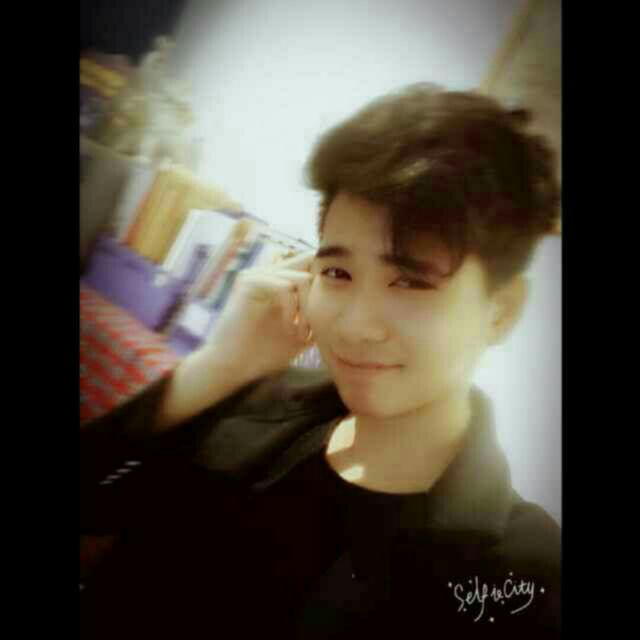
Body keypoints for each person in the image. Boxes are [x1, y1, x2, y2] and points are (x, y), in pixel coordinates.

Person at [80, 83, 561, 639]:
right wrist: (219, 365)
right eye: (337, 272)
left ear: (501, 311)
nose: (354, 325)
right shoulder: (257, 400)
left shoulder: (523, 574)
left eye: (411, 281)